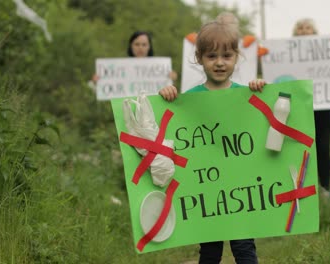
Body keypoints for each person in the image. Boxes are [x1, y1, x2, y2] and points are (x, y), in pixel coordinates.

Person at [159, 12, 264, 264]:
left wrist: (262, 90)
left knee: (244, 247)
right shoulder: (189, 98)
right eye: (212, 56)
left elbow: (262, 124)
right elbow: (172, 124)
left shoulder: (245, 95)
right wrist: (167, 94)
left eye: (226, 56)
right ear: (199, 58)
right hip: (206, 190)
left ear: (236, 58)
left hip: (240, 188)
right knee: (209, 251)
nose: (219, 62)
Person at [292, 18, 330, 196]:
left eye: (308, 27)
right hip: (299, 106)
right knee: (299, 147)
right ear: (295, 32)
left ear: (314, 31)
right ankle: (301, 189)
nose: (304, 30)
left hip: (324, 106)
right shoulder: (287, 53)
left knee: (323, 147)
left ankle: (325, 187)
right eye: (300, 28)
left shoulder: (326, 49)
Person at [91, 31, 177, 83]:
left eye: (144, 44)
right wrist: (95, 82)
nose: (140, 47)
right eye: (137, 44)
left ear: (149, 47)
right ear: (131, 46)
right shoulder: (120, 68)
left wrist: (172, 80)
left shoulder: (160, 68)